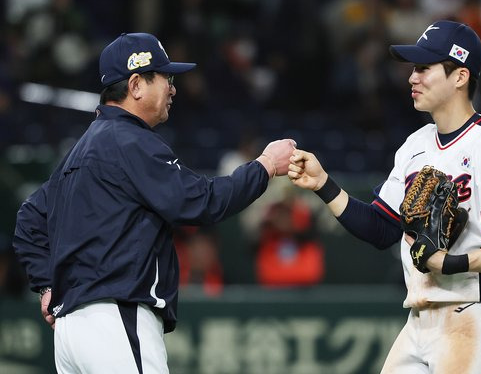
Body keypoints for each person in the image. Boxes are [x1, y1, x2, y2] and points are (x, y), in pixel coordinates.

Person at [13, 32, 296, 374]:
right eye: (165, 77)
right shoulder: (129, 140)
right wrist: (265, 167)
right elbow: (201, 203)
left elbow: (29, 219)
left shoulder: (84, 147)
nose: (173, 88)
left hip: (72, 331)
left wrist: (46, 284)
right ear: (135, 85)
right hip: (115, 318)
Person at [288, 20, 481, 373]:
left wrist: (452, 262)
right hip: (421, 317)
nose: (412, 77)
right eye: (413, 68)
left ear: (460, 77)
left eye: (425, 68)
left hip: (479, 312)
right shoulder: (416, 145)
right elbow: (381, 229)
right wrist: (324, 184)